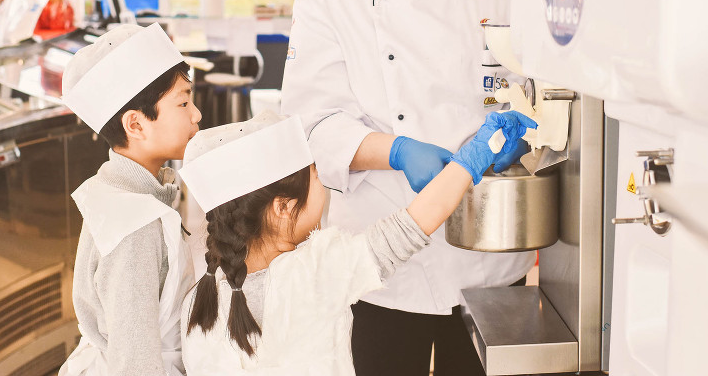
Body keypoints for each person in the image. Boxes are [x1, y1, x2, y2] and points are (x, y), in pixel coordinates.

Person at [280, 0, 533, 374]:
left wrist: (522, 137)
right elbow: (312, 125)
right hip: (381, 250)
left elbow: (541, 92)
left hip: (488, 237)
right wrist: (395, 151)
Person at [178, 109, 536, 375]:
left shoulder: (200, 297)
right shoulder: (314, 272)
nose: (325, 184)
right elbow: (413, 224)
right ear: (283, 209)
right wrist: (478, 152)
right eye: (316, 176)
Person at [58, 23, 202, 376]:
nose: (196, 114)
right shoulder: (134, 227)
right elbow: (135, 363)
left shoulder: (135, 194)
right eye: (183, 102)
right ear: (136, 125)